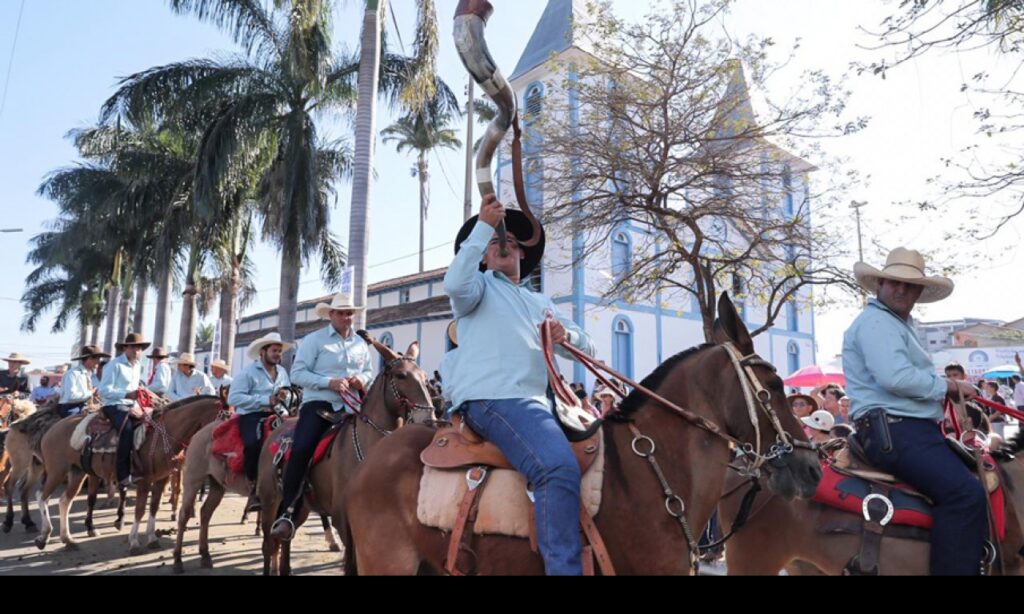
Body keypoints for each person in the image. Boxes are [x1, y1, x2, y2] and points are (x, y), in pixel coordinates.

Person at [440, 194, 595, 575]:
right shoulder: (477, 289)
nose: (503, 244)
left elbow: (587, 349)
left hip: (544, 404)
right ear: (483, 256)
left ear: (524, 254)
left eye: (509, 241)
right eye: (495, 242)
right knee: (556, 466)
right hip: (496, 399)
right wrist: (483, 226)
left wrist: (566, 337)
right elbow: (454, 282)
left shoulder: (542, 301)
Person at [844, 247, 985, 575]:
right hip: (897, 431)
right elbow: (895, 378)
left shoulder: (893, 323)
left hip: (903, 429)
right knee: (964, 495)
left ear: (919, 292)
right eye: (895, 282)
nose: (901, 289)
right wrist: (949, 387)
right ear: (880, 283)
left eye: (909, 285)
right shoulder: (878, 322)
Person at [271, 292, 373, 540]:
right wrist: (330, 382)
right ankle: (288, 510)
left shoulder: (360, 344)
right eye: (342, 312)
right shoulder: (314, 340)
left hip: (353, 407)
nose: (347, 317)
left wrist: (362, 379)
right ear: (331, 315)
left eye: (350, 313)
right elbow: (297, 373)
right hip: (320, 405)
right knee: (302, 448)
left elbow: (369, 370)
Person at [227, 333, 293, 513]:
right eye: (274, 350)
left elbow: (286, 392)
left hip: (279, 415)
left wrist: (285, 397)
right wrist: (265, 400)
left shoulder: (282, 372)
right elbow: (234, 397)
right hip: (252, 415)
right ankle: (254, 487)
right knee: (253, 444)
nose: (277, 354)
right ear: (262, 352)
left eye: (279, 351)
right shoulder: (247, 372)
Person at [98, 333, 151, 487]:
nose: (137, 350)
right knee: (126, 430)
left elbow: (135, 389)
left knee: (153, 424)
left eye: (140, 348)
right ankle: (123, 475)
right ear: (125, 348)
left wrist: (141, 393)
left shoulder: (138, 366)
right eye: (133, 347)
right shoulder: (114, 365)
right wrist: (127, 394)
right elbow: (103, 391)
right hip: (113, 405)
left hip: (132, 404)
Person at [57, 345, 108, 418]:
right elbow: (70, 396)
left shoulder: (89, 375)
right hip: (70, 408)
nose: (98, 362)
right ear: (89, 358)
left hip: (83, 406)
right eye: (97, 359)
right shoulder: (73, 373)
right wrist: (90, 393)